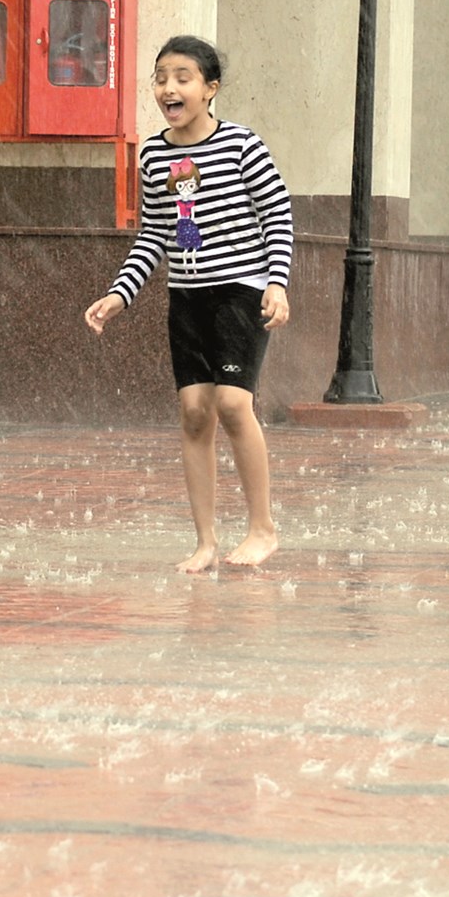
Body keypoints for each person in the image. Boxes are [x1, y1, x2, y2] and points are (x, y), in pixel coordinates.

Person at [83, 35, 293, 572]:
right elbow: (154, 235)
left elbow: (278, 217)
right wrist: (118, 295)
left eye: (182, 77)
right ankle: (205, 542)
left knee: (232, 404)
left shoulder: (242, 145)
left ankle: (263, 529)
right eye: (160, 78)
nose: (168, 88)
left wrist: (277, 283)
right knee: (195, 413)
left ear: (209, 89)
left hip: (241, 292)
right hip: (188, 299)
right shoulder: (155, 155)